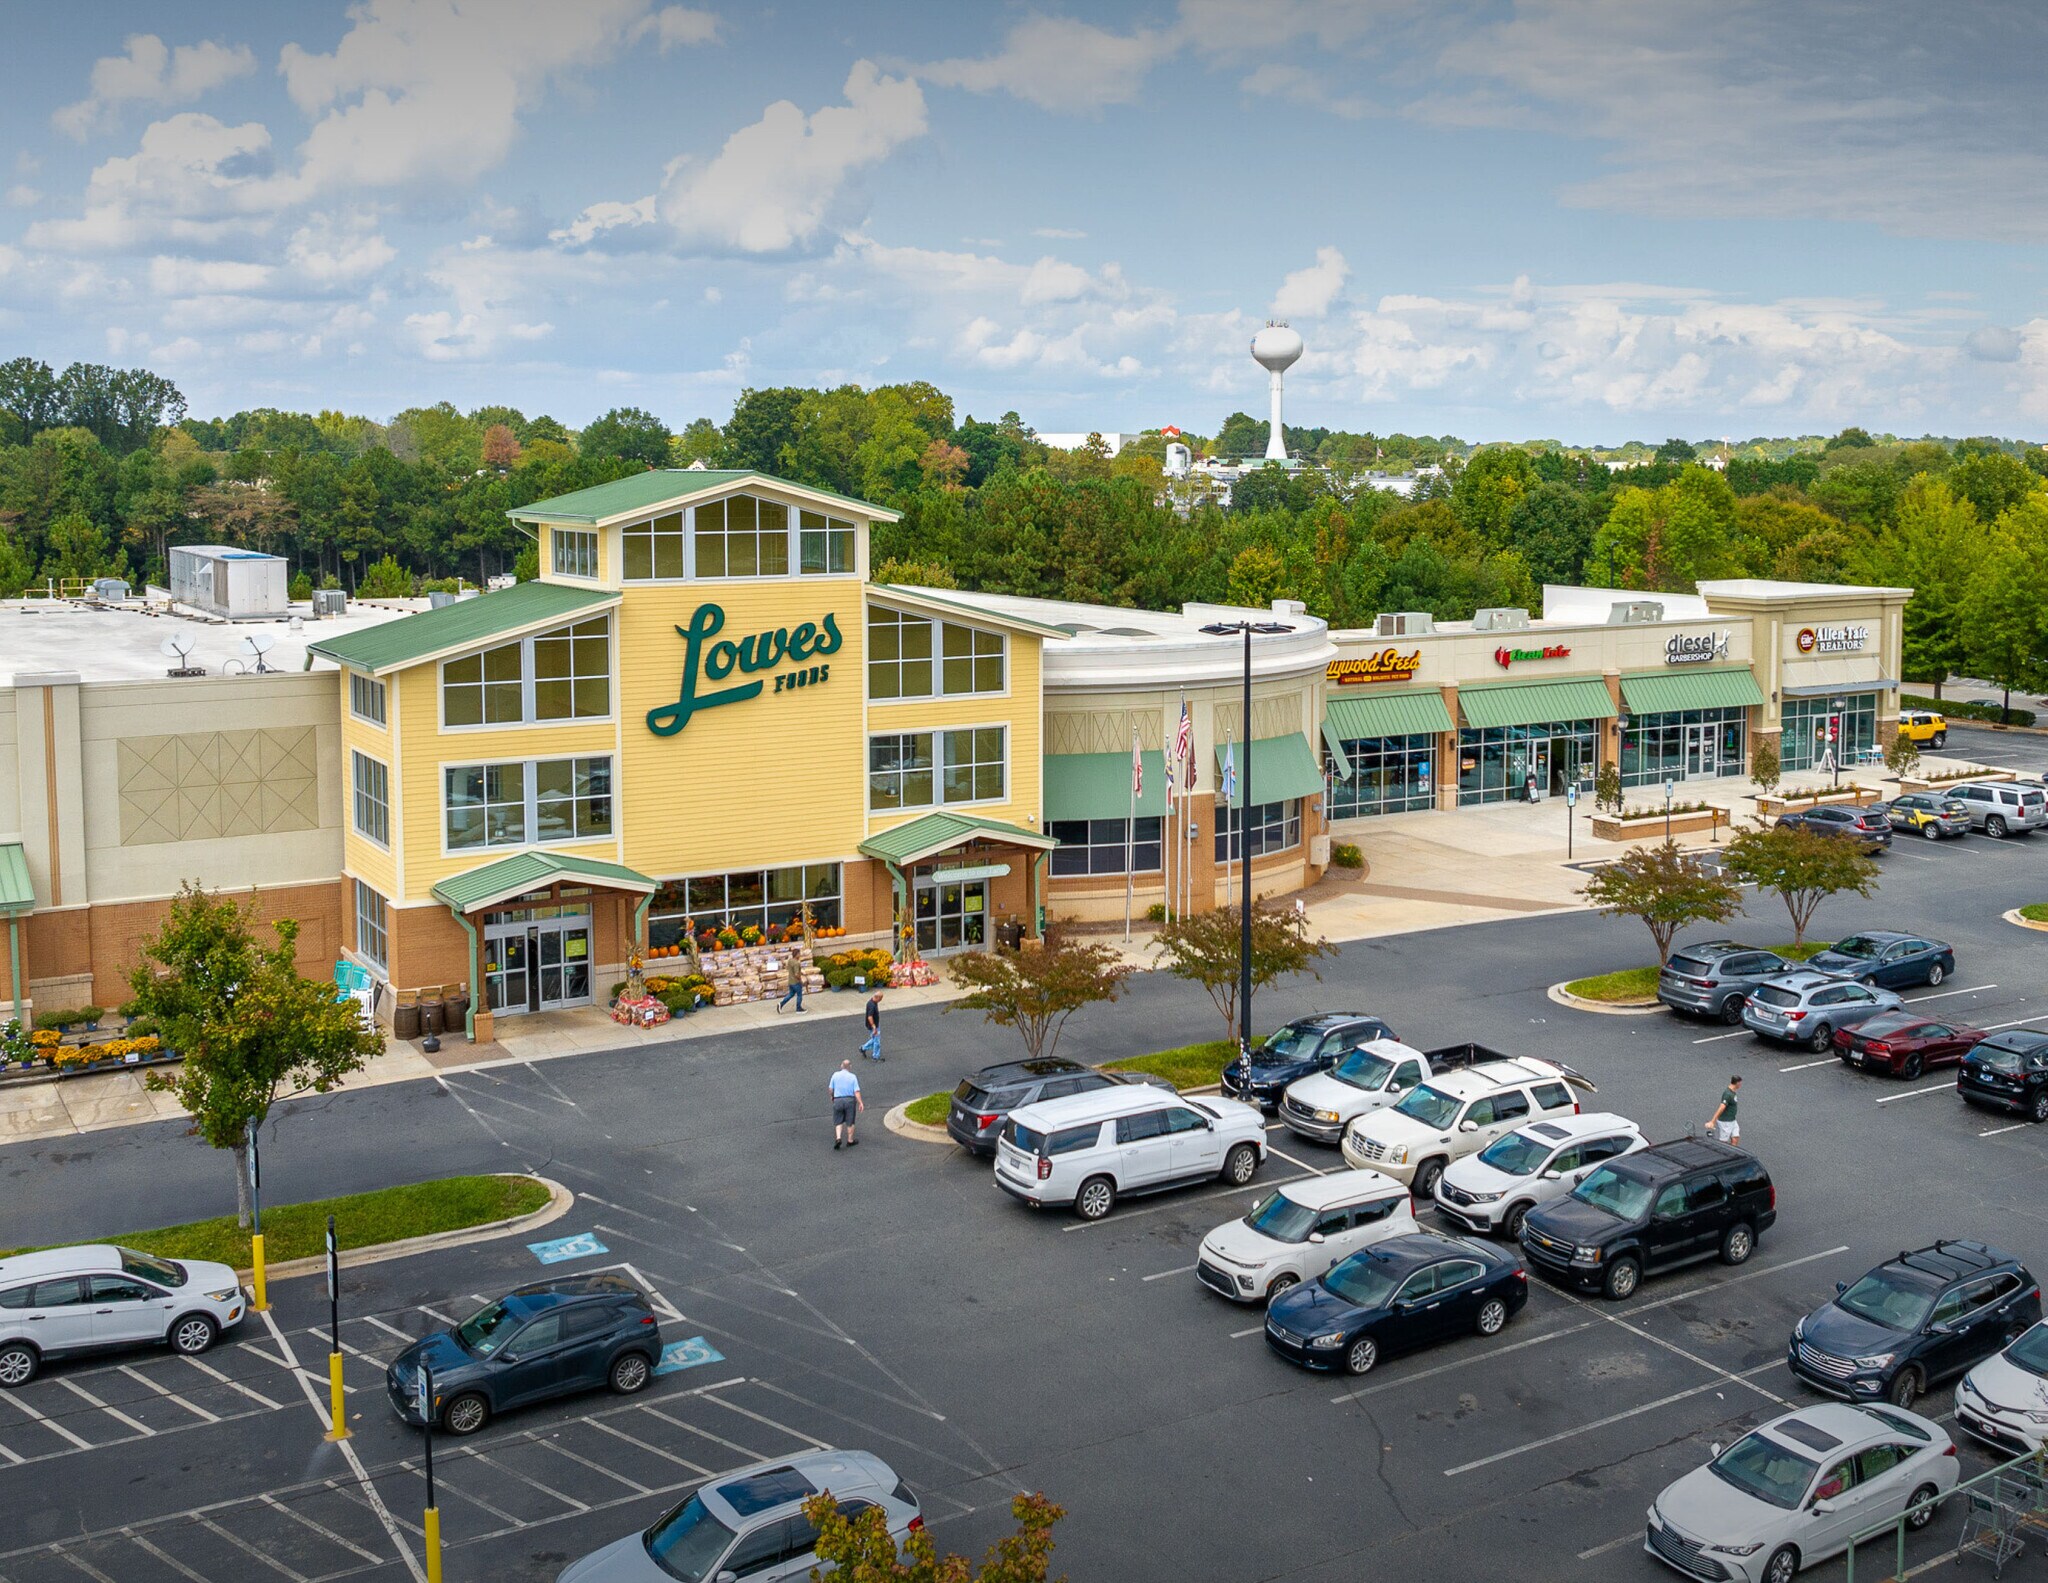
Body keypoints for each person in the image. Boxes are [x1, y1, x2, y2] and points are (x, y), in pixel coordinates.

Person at [829, 1060, 863, 1148]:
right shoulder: (853, 1077)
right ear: (850, 1067)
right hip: (849, 1101)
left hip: (838, 1100)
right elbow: (856, 1091)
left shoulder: (835, 1075)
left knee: (838, 1120)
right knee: (850, 1121)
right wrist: (860, 1103)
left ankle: (838, 1138)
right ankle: (850, 1140)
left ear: (841, 1066)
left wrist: (832, 1096)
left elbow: (830, 1089)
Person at [1706, 1075, 1742, 1145]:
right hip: (1726, 1122)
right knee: (1723, 1142)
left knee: (1735, 1137)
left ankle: (1733, 1154)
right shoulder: (1727, 1094)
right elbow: (1721, 1107)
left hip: (1732, 1120)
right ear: (1737, 1083)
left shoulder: (1732, 1092)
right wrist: (1713, 1121)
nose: (1740, 1085)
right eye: (1740, 1083)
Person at [860, 987, 885, 1061]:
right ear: (877, 998)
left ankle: (863, 1048)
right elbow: (870, 1017)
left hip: (875, 1025)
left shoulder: (873, 1002)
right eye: (880, 999)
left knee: (874, 1039)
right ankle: (875, 1057)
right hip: (873, 1026)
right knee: (877, 1041)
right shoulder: (872, 1005)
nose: (881, 1000)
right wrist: (874, 1027)